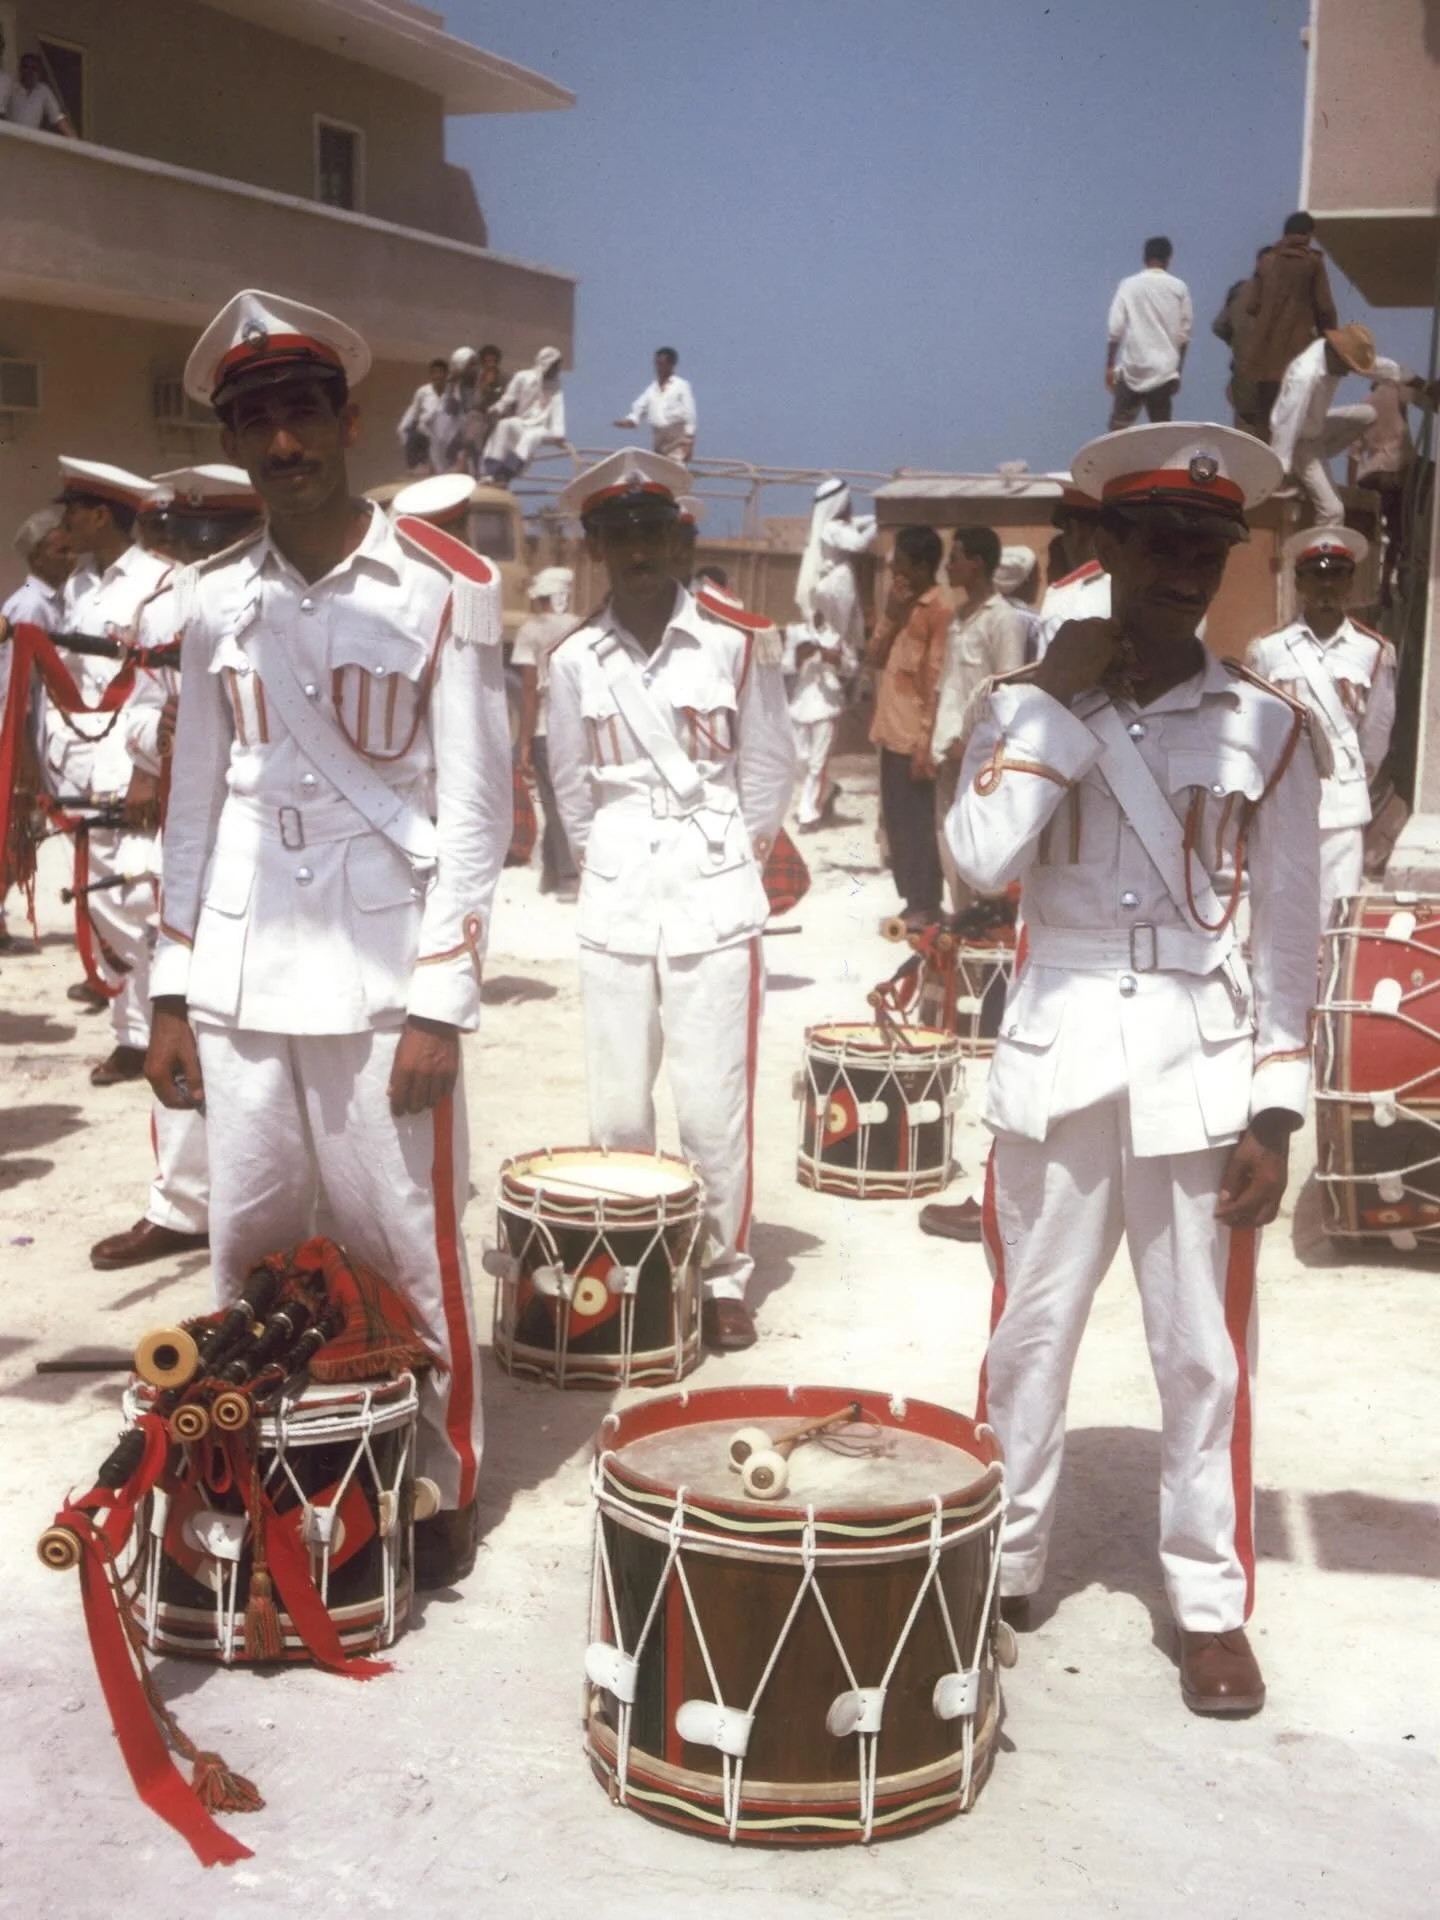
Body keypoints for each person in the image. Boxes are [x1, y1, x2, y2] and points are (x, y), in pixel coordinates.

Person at [947, 422, 1321, 1716]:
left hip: (1198, 1061)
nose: (1183, 569)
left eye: (1206, 549)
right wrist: (1055, 699)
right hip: (1057, 1050)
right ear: (1103, 547)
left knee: (1202, 1354)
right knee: (1029, 1333)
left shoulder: (1268, 727)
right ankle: (998, 1566)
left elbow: (1285, 931)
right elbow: (984, 861)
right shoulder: (1018, 707)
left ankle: (1209, 1602)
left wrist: (1278, 1101)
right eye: (1159, 542)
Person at [146, 289, 513, 1588]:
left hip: (376, 979)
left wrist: (442, 999)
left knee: (403, 1238)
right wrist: (171, 992)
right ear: (237, 440)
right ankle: (267, 1465)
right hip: (245, 968)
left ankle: (435, 1478)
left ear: (350, 420)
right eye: (257, 421)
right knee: (246, 1240)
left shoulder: (446, 588)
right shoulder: (211, 603)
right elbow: (193, 805)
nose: (283, 443)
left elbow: (476, 811)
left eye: (302, 413)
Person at [546, 450, 795, 1353]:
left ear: (683, 539)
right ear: (597, 546)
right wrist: (610, 853)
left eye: (655, 532)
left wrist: (732, 852)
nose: (639, 550)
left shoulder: (735, 642)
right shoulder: (574, 658)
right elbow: (570, 785)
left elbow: (769, 765)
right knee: (616, 1106)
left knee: (710, 1105)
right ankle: (630, 1263)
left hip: (712, 888)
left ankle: (723, 1274)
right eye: (620, 535)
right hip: (616, 885)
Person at [89, 465, 264, 1272]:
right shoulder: (171, 604)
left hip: (284, 832)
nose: (200, 554)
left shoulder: (288, 589)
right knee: (186, 1010)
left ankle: (286, 1207)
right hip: (196, 834)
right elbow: (137, 705)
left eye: (217, 535)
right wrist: (154, 749)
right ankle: (183, 1202)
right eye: (187, 537)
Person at [48, 459, 174, 1077]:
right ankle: (134, 1028)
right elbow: (70, 684)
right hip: (83, 763)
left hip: (134, 760)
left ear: (102, 515)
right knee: (103, 903)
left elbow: (159, 685)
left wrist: (149, 768)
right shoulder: (78, 586)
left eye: (73, 510)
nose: (64, 520)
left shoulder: (158, 582)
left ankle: (149, 1034)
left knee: (140, 894)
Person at [1247, 527, 1394, 930]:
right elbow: (1255, 727)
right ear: (1299, 583)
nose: (1326, 585)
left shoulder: (1373, 651)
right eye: (1316, 575)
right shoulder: (1268, 649)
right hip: (1282, 797)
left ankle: (1330, 989)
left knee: (1338, 913)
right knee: (1280, 910)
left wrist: (1346, 777)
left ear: (1349, 582)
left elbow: (1375, 739)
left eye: (1337, 575)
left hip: (1343, 803)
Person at [931, 526, 1029, 916]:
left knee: (982, 848)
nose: (949, 567)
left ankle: (988, 932)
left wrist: (969, 744)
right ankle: (959, 930)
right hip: (945, 750)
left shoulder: (1003, 619)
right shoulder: (958, 618)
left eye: (954, 559)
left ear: (976, 564)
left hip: (978, 755)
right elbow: (948, 686)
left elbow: (1009, 691)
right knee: (948, 844)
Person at [867, 526, 948, 929]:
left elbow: (934, 682)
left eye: (900, 563)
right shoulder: (901, 609)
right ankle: (912, 899)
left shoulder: (938, 612)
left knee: (918, 825)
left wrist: (924, 744)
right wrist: (890, 616)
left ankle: (927, 902)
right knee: (897, 824)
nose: (895, 571)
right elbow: (875, 658)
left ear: (920, 566)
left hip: (915, 736)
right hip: (890, 731)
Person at [1, 506, 73, 951]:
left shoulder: (56, 601)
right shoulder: (29, 606)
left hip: (45, 736)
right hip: (21, 738)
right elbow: (14, 687)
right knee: (13, 830)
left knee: (24, 833)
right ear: (39, 556)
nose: (71, 557)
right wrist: (25, 753)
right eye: (61, 550)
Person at [1268, 322, 1382, 527]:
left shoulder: (1330, 354)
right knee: (1333, 512)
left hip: (1316, 429)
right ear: (1336, 355)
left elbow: (1377, 367)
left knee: (1368, 415)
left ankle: (1311, 469)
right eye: (1347, 367)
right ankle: (1319, 554)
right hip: (1298, 442)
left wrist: (1415, 381)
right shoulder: (1305, 375)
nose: (1347, 374)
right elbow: (1287, 422)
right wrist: (1280, 471)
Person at [1239, 213, 1339, 440]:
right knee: (1293, 416)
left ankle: (1263, 469)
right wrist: (1331, 341)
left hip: (1264, 353)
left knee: (1264, 415)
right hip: (1298, 351)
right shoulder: (1313, 262)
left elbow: (1251, 305)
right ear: (1308, 234)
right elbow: (1325, 307)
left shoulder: (1267, 261)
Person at [512, 565, 579, 897]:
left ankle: (567, 875)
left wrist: (523, 740)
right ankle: (552, 873)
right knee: (572, 797)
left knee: (552, 802)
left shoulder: (531, 631)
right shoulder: (582, 628)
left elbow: (527, 688)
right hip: (577, 727)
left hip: (544, 729)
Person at [1105, 237, 1193, 430]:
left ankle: (1118, 460)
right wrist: (1178, 371)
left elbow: (1115, 329)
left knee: (1119, 428)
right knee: (1161, 429)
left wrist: (1110, 366)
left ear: (1144, 257)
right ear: (1168, 259)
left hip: (1133, 367)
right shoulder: (1179, 287)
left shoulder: (1129, 285)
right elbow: (1184, 336)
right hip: (1164, 369)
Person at [1035, 485, 1110, 656]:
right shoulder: (1142, 586)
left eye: (1065, 533)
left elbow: (1052, 681)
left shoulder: (1066, 598)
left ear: (1076, 530)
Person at [1212, 247, 1275, 435]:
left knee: (1245, 440)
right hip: (1273, 386)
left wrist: (1237, 341)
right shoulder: (1285, 297)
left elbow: (1219, 326)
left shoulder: (1240, 291)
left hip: (1243, 384)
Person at [482, 347, 566, 485]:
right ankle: (491, 471)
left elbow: (558, 408)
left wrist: (559, 434)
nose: (557, 369)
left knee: (531, 436)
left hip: (542, 427)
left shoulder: (556, 385)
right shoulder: (522, 377)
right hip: (522, 421)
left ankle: (505, 474)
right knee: (504, 425)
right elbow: (509, 397)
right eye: (555, 365)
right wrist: (498, 408)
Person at [613, 348, 697, 463]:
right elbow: (639, 407)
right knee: (659, 466)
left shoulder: (681, 386)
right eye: (657, 364)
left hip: (676, 436)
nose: (659, 368)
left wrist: (689, 441)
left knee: (676, 467)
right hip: (659, 437)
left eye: (662, 364)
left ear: (671, 365)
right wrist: (630, 420)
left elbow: (690, 414)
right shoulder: (652, 389)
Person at [428, 347, 481, 476]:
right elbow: (450, 408)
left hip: (481, 420)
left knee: (474, 419)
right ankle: (439, 466)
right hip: (463, 420)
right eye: (470, 365)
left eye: (475, 364)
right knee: (438, 420)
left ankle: (463, 461)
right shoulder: (458, 384)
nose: (475, 368)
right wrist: (451, 385)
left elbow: (480, 406)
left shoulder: (483, 379)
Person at [397, 358, 449, 471]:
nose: (438, 376)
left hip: (445, 433)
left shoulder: (451, 392)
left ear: (446, 375)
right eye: (435, 372)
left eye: (441, 372)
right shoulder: (423, 392)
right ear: (431, 375)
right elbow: (414, 413)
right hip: (425, 433)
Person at [6, 53, 76, 135]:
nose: (29, 71)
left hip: (30, 141)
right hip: (10, 137)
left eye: (34, 68)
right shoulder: (11, 86)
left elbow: (58, 118)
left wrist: (77, 143)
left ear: (39, 72)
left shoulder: (43, 91)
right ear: (20, 69)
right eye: (26, 67)